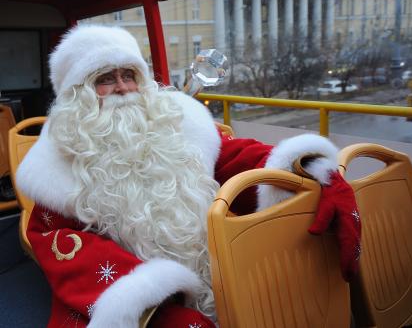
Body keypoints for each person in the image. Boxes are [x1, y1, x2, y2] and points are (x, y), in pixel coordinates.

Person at [16, 25, 360, 328]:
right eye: (105, 79)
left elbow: (232, 154)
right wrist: (149, 301)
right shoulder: (55, 163)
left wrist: (310, 167)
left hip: (222, 266)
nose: (123, 88)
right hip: (135, 288)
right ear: (79, 94)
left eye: (129, 75)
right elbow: (60, 243)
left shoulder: (176, 119)